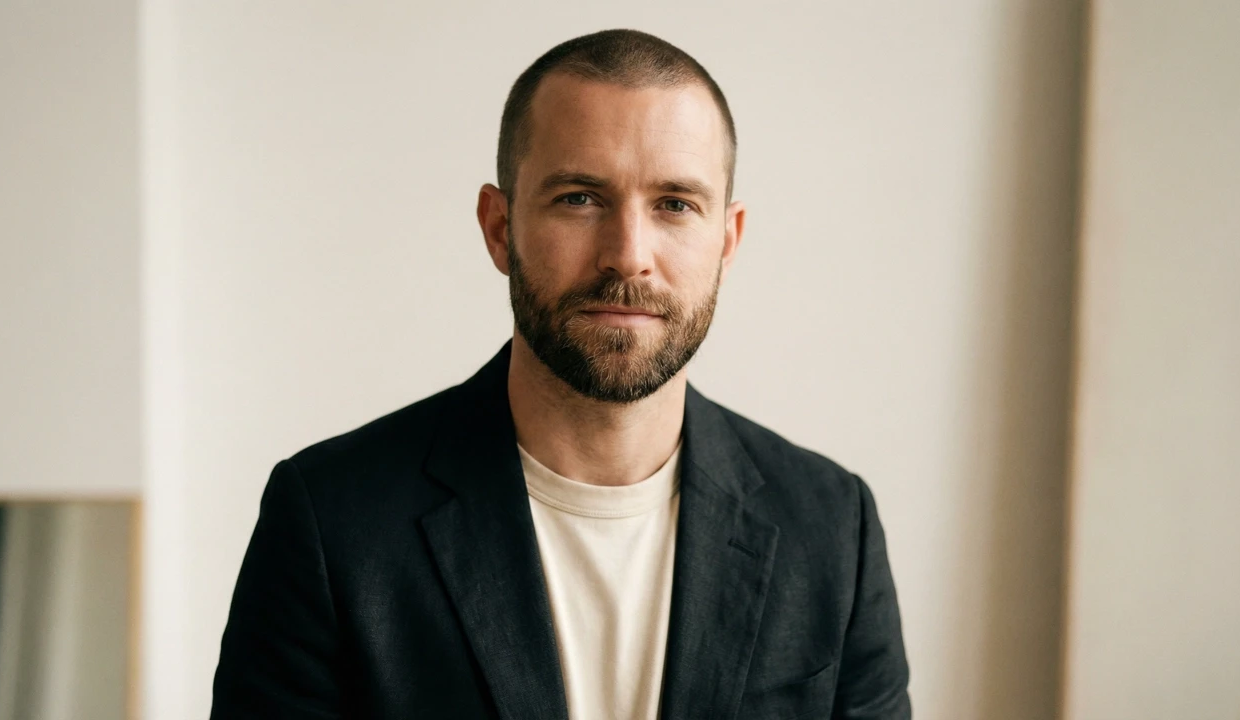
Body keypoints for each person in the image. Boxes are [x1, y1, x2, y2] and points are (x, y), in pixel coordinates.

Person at [210, 28, 910, 720]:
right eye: (580, 197)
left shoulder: (831, 528)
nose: (628, 254)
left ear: (726, 242)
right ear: (498, 228)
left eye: (674, 204)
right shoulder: (332, 522)